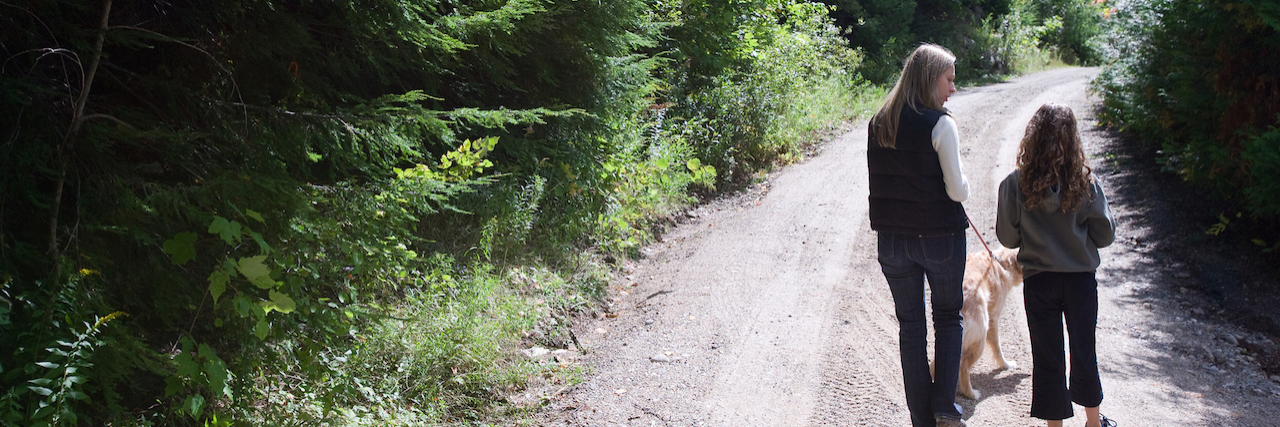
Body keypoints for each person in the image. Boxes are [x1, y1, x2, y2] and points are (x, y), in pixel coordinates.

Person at [995, 103, 1118, 427]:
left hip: (1040, 282)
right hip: (1079, 281)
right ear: (1072, 140)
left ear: (1032, 137)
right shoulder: (1085, 183)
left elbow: (1007, 237)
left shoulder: (1015, 184)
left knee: (1048, 357)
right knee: (1083, 351)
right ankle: (1094, 423)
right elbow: (1105, 236)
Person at [867, 43, 970, 427]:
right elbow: (958, 190)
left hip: (892, 239)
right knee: (948, 317)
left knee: (911, 327)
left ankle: (921, 419)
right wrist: (968, 186)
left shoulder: (879, 121)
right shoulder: (941, 124)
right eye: (949, 80)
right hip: (940, 237)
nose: (953, 90)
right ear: (931, 79)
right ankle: (944, 403)